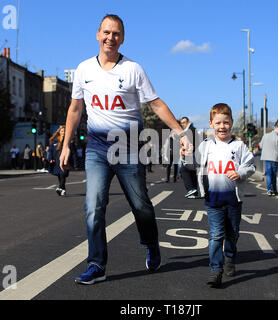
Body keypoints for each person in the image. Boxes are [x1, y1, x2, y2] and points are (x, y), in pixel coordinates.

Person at [58, 14, 191, 285]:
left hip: (129, 146)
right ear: (98, 34)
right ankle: (96, 265)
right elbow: (75, 109)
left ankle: (152, 244)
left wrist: (180, 132)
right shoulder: (84, 69)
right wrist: (65, 145)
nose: (110, 38)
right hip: (96, 145)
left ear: (123, 38)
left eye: (116, 33)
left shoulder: (133, 69)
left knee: (141, 205)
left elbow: (155, 104)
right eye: (106, 32)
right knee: (93, 206)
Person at [196, 103, 255, 287]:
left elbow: (250, 166)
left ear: (232, 123)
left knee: (233, 233)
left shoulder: (238, 146)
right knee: (215, 235)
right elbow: (192, 163)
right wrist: (183, 156)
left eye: (226, 122)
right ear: (211, 124)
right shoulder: (205, 146)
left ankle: (229, 257)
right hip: (212, 200)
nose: (222, 126)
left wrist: (241, 173)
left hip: (233, 200)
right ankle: (216, 270)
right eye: (218, 122)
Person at [179, 117, 200, 198]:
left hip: (191, 153)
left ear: (188, 122)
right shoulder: (192, 129)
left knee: (184, 170)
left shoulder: (190, 130)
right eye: (182, 123)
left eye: (184, 122)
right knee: (192, 172)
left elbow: (195, 142)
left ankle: (191, 189)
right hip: (193, 153)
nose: (183, 124)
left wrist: (189, 150)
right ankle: (194, 191)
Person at [259, 125, 278, 196]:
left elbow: (260, 146)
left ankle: (269, 190)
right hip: (274, 158)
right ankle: (274, 190)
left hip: (266, 157)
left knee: (268, 174)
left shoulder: (265, 136)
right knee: (274, 175)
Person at [49, 125, 70, 196]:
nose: (63, 132)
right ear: (59, 132)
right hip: (56, 161)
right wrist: (50, 158)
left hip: (65, 161)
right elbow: (51, 151)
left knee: (63, 175)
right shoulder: (55, 141)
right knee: (59, 175)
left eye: (64, 131)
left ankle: (60, 188)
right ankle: (63, 190)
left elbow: (73, 152)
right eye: (62, 131)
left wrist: (75, 163)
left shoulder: (68, 140)